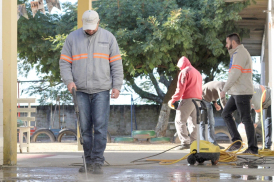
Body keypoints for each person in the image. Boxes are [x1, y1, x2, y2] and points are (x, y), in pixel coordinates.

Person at [59, 10, 123, 174]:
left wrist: (117, 86)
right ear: (82, 23)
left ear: (98, 22)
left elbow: (116, 64)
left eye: (92, 27)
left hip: (101, 89)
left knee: (100, 127)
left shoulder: (109, 38)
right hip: (79, 90)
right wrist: (69, 81)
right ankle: (88, 162)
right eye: (87, 27)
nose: (90, 30)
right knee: (85, 128)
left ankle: (97, 162)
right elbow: (64, 63)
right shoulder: (72, 38)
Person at [220, 33, 258, 154]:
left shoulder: (240, 53)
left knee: (246, 119)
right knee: (226, 113)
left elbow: (235, 74)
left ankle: (252, 148)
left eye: (227, 43)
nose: (226, 45)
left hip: (242, 92)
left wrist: (224, 90)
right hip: (237, 92)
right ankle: (237, 142)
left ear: (233, 43)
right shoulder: (236, 54)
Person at [169, 56, 202, 150]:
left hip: (188, 99)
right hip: (198, 100)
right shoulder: (197, 72)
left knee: (179, 120)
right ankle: (194, 143)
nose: (179, 68)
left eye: (179, 66)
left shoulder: (184, 72)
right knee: (193, 122)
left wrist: (173, 99)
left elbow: (180, 89)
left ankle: (185, 143)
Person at [201, 81, 227, 149]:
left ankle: (212, 143)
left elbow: (211, 92)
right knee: (203, 122)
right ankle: (203, 143)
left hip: (207, 99)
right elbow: (222, 99)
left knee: (211, 123)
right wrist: (227, 111)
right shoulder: (222, 85)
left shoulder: (222, 85)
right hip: (201, 99)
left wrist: (215, 103)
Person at [251, 84, 272, 150]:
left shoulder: (254, 98)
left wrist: (256, 123)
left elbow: (259, 112)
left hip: (271, 100)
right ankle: (266, 146)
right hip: (267, 99)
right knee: (268, 122)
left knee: (268, 122)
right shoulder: (249, 90)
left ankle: (267, 146)